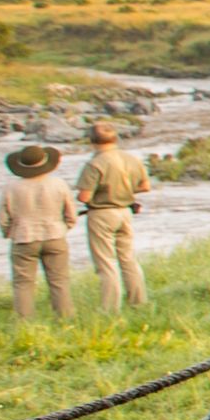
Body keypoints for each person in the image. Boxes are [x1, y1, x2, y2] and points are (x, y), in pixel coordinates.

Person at [75, 121, 152, 311]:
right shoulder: (132, 159)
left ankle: (110, 309)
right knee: (128, 259)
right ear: (115, 138)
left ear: (92, 141)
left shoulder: (95, 163)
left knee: (106, 262)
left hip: (102, 214)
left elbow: (84, 197)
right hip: (125, 212)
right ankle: (139, 302)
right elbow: (145, 186)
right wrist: (124, 190)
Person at [0, 144, 75, 319]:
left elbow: (3, 220)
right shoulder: (59, 184)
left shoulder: (11, 188)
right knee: (59, 281)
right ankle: (65, 319)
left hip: (23, 237)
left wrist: (8, 233)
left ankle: (25, 323)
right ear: (45, 162)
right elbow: (71, 214)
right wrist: (64, 227)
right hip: (55, 235)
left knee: (23, 283)